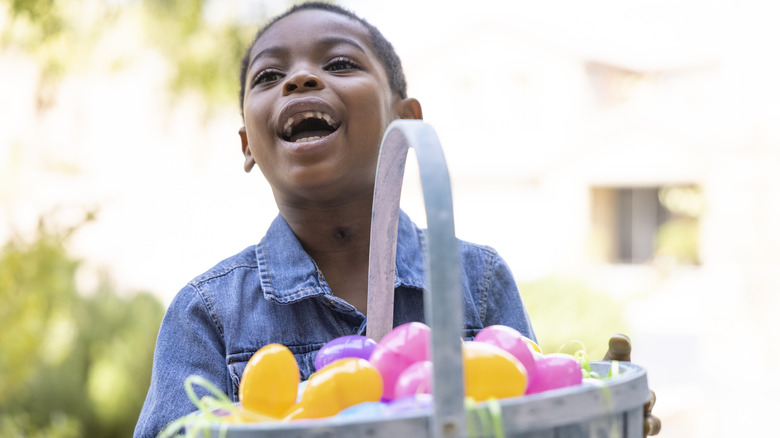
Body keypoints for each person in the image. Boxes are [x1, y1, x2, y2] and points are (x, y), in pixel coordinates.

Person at [135, 2, 658, 437]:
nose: (299, 78)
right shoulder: (208, 314)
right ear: (248, 143)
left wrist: (595, 417)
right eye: (269, 76)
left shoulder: (475, 282)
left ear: (404, 120)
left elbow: (528, 414)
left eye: (340, 64)